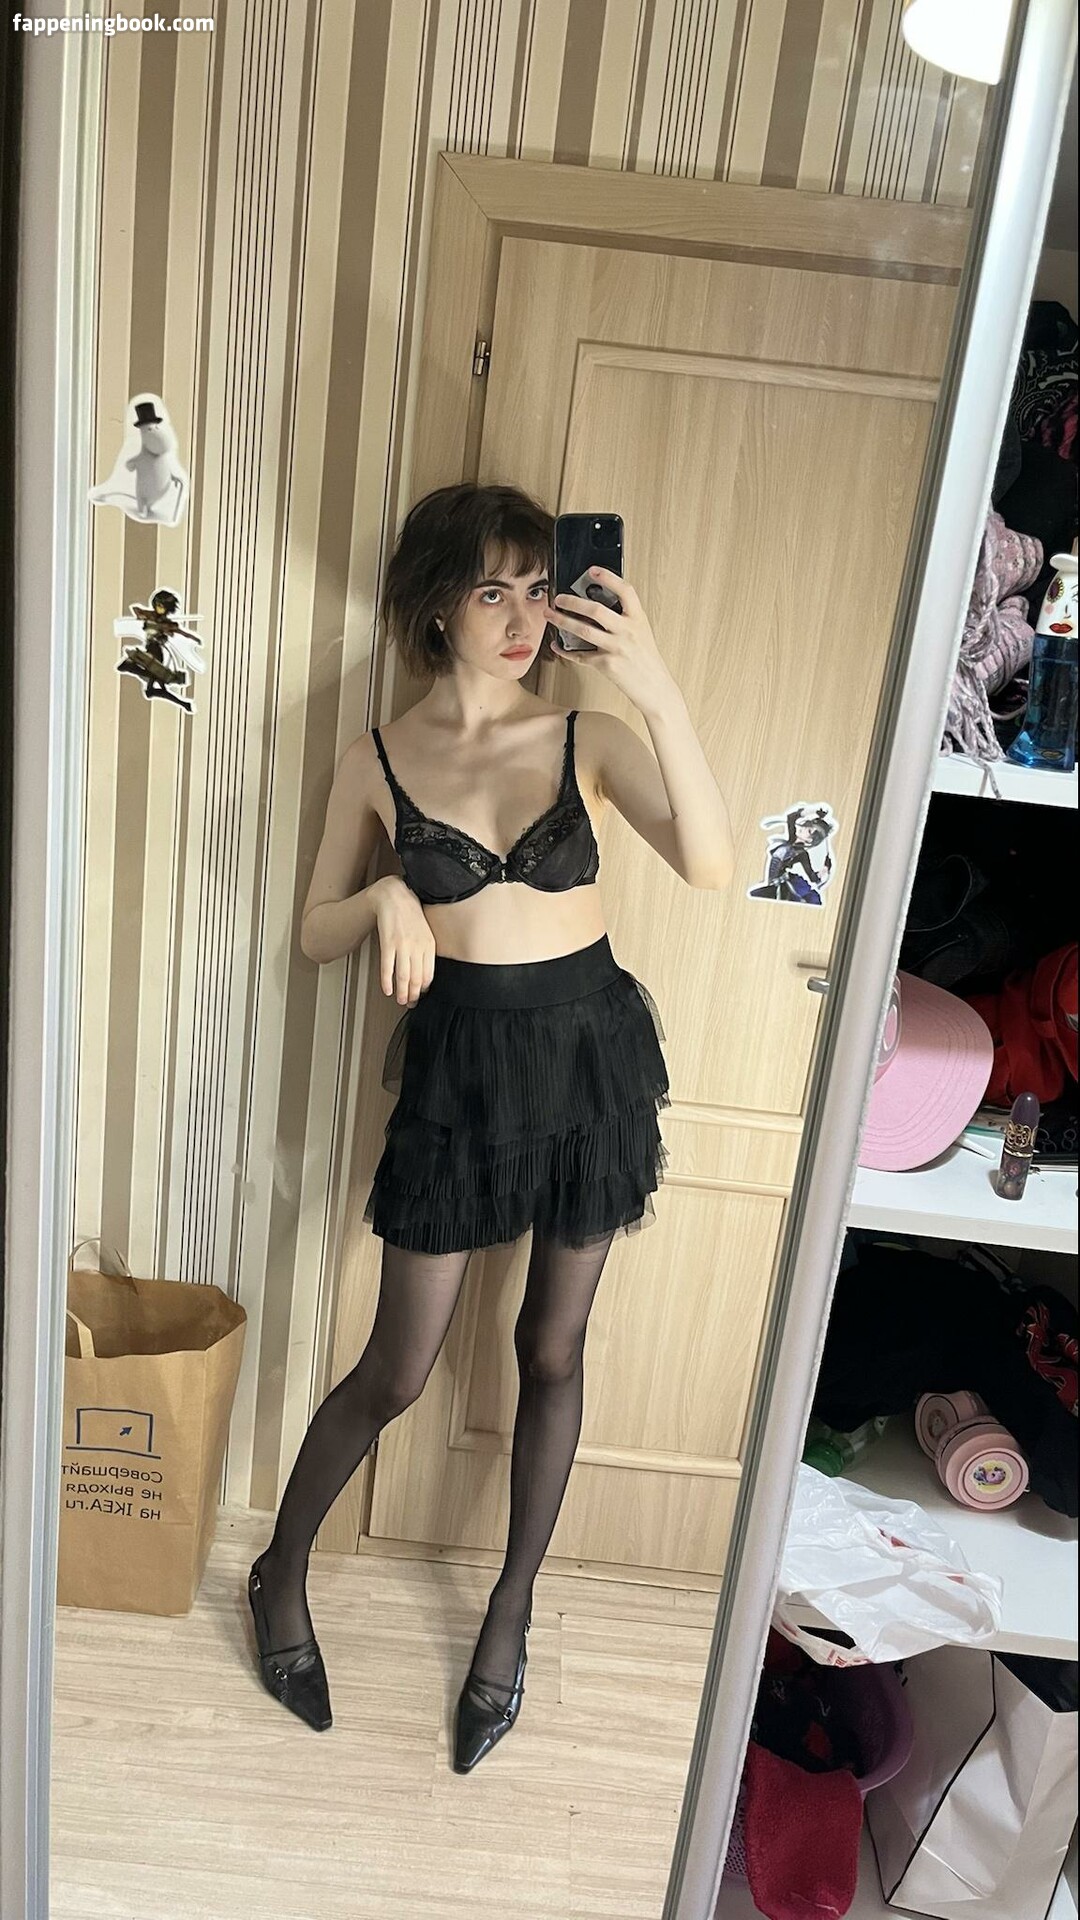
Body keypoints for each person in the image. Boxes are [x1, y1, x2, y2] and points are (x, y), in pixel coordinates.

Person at [246, 483, 734, 1771]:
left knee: (552, 1349)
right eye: (492, 590)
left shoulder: (588, 734)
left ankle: (508, 1614)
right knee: (397, 1368)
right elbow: (315, 931)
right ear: (434, 607)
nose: (523, 618)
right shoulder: (378, 756)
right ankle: (279, 1568)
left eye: (537, 588)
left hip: (590, 1062)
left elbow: (713, 864)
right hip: (460, 1074)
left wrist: (656, 686)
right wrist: (389, 896)